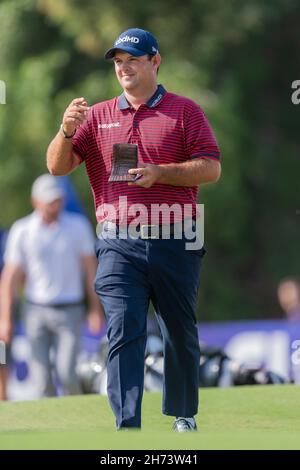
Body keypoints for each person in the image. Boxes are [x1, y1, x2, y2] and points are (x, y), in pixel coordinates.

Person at [46, 28, 221, 431]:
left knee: (178, 328)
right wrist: (66, 130)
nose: (124, 69)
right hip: (117, 240)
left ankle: (183, 414)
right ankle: (127, 423)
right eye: (118, 63)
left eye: (133, 61)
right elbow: (57, 166)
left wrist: (162, 173)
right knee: (124, 329)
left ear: (155, 62)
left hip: (176, 237)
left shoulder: (185, 111)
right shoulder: (97, 116)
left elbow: (211, 167)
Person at [0, 174, 104, 398]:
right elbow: (10, 278)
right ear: (35, 201)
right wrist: (6, 318)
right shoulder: (22, 230)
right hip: (35, 310)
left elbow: (90, 270)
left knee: (67, 373)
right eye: (49, 201)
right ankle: (49, 431)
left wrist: (95, 309)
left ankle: (78, 420)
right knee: (41, 379)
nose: (54, 205)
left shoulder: (77, 227)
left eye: (57, 200)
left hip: (71, 309)